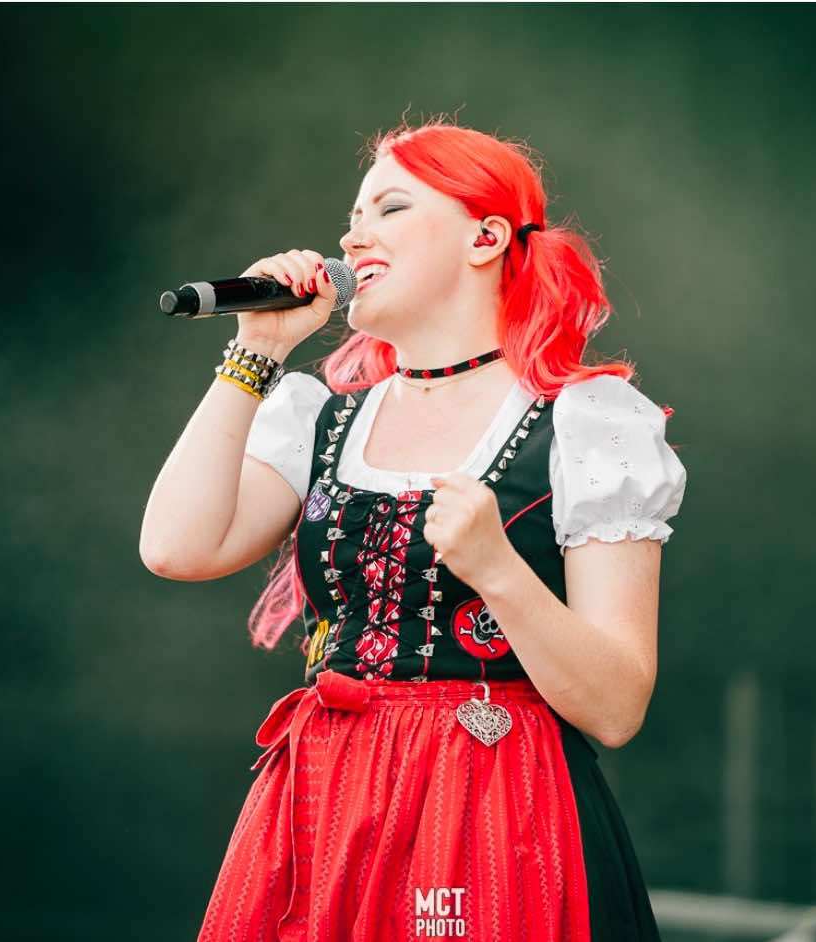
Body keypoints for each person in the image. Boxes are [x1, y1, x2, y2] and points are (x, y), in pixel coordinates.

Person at [140, 118, 687, 942]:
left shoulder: (586, 423)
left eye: (388, 208)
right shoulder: (320, 415)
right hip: (327, 801)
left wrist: (497, 567)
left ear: (486, 237)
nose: (352, 236)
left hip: (495, 806)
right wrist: (255, 350)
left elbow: (614, 706)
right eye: (352, 217)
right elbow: (177, 548)